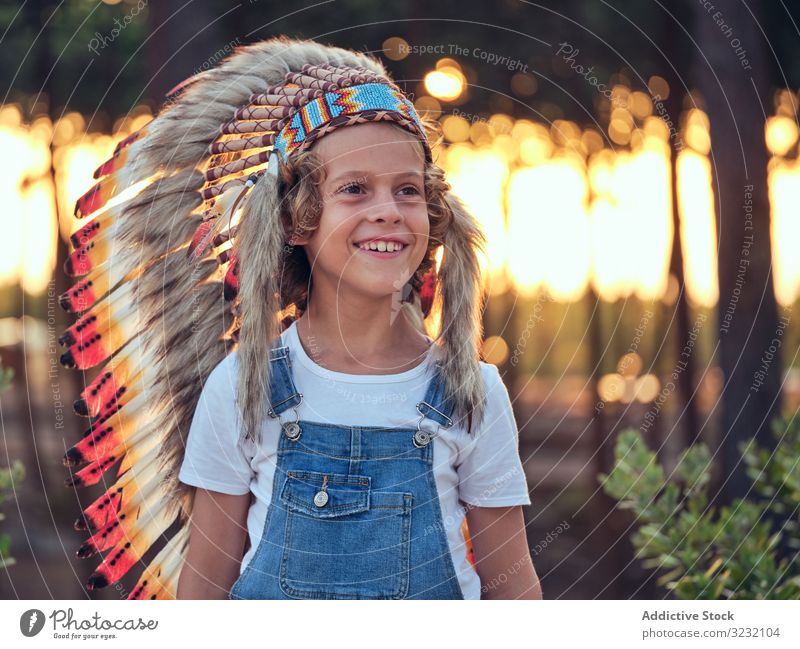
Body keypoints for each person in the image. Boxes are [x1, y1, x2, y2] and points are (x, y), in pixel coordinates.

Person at [58, 35, 541, 600]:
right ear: (297, 220)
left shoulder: (470, 392)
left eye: (407, 190)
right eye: (354, 190)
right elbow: (203, 593)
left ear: (433, 213)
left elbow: (513, 590)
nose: (388, 210)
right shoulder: (243, 388)